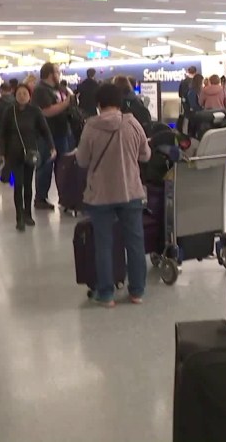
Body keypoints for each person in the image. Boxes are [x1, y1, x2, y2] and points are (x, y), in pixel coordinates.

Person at [75, 83, 151, 307]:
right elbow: (145, 155)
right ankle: (137, 291)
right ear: (120, 102)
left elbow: (81, 160)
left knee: (104, 244)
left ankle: (106, 294)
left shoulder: (91, 127)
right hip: (130, 192)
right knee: (135, 243)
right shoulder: (132, 123)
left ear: (98, 104)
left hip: (100, 195)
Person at [0, 84, 56, 231]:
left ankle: (28, 214)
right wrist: (2, 153)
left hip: (30, 153)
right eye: (19, 93)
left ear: (29, 96)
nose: (22, 96)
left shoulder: (35, 111)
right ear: (15, 95)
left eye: (25, 93)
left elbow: (45, 130)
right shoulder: (9, 111)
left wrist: (52, 147)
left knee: (28, 185)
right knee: (18, 185)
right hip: (14, 153)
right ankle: (19, 217)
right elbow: (3, 134)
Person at [32, 62, 73, 210]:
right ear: (50, 74)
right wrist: (66, 103)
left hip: (62, 133)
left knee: (63, 167)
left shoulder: (58, 89)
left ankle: (65, 197)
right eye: (57, 71)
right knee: (45, 166)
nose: (59, 74)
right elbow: (46, 111)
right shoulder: (40, 91)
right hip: (47, 135)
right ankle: (40, 198)